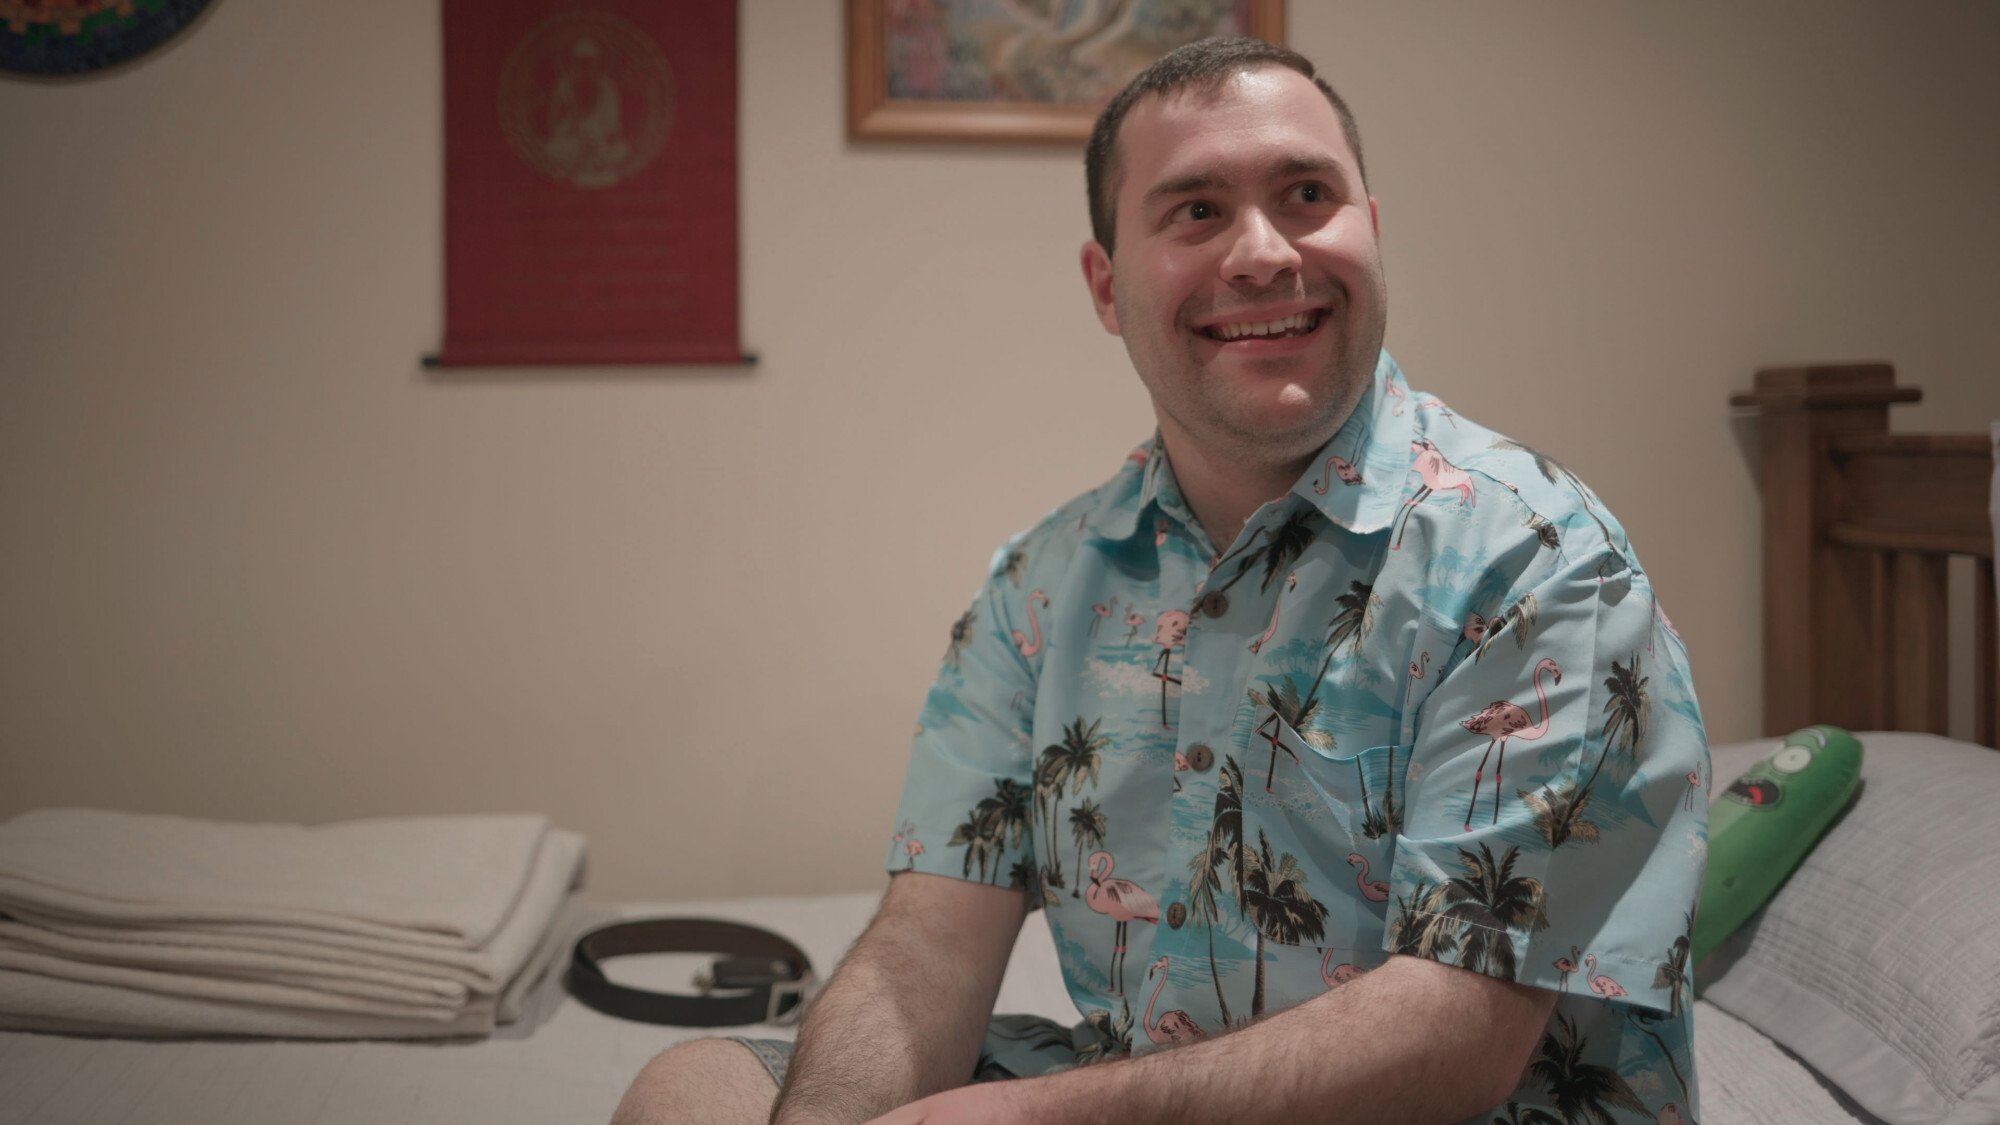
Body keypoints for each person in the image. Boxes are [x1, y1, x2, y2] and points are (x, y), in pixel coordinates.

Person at [614, 37, 1706, 1125]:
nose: (1263, 254)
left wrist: (1010, 1119)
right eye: (1196, 211)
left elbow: (1458, 1040)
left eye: (1307, 194)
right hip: (1146, 1088)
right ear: (1106, 286)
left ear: (1370, 230)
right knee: (694, 1093)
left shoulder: (1535, 557)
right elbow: (927, 946)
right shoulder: (1041, 586)